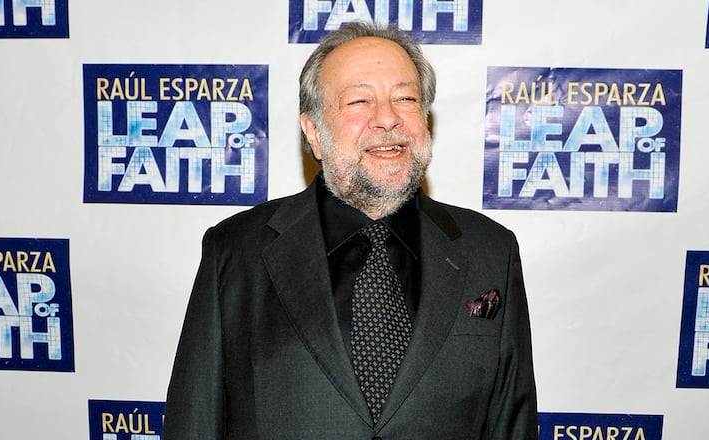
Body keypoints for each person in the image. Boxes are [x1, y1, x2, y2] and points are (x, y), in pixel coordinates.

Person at [163, 21, 537, 439]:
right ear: (314, 133)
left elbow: (512, 424)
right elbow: (193, 424)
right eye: (360, 100)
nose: (388, 118)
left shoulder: (491, 251)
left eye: (406, 98)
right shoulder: (234, 252)